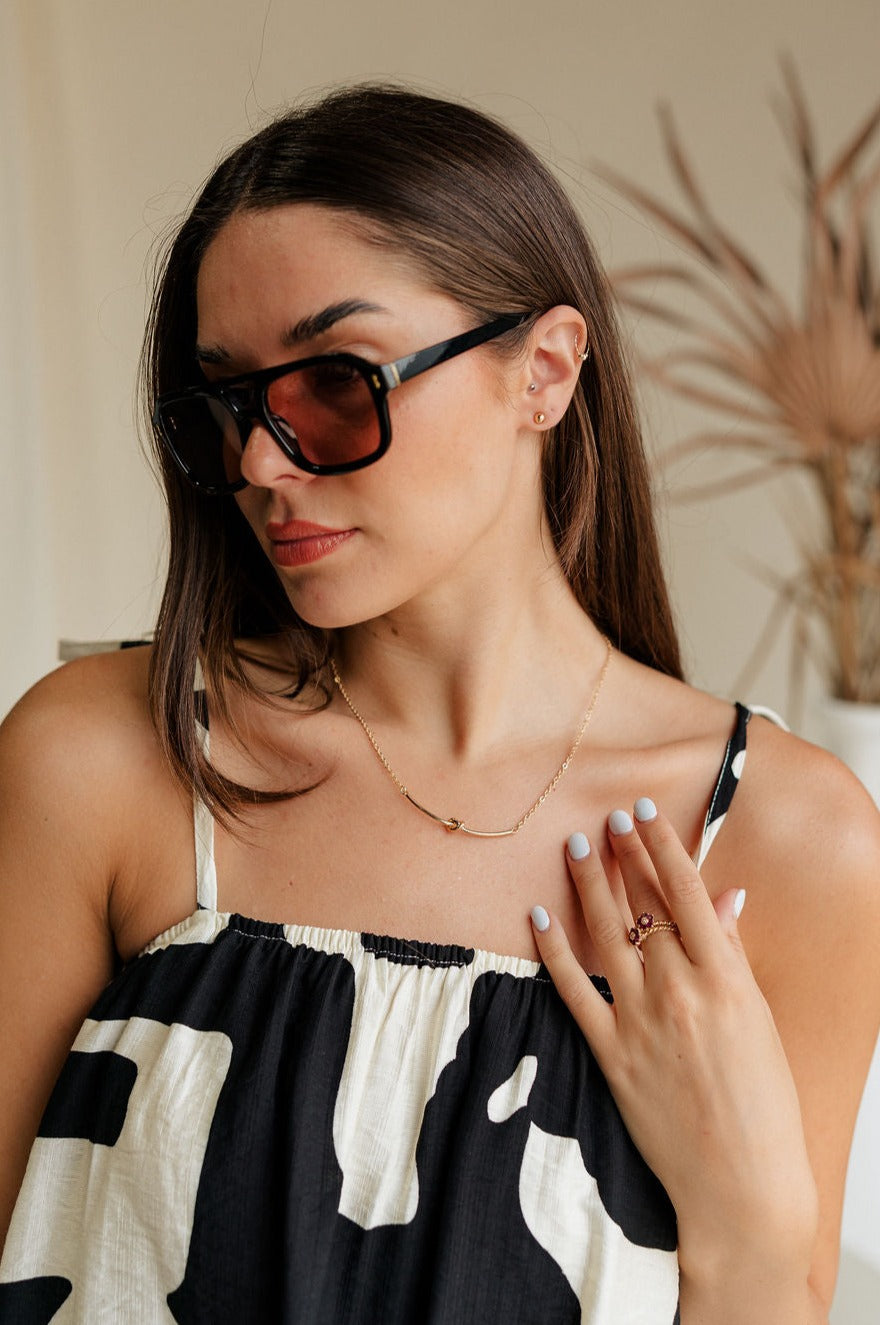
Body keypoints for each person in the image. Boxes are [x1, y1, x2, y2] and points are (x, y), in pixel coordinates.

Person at [1, 84, 878, 1325]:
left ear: (544, 371)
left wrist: (749, 1236)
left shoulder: (786, 844)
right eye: (229, 404)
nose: (261, 460)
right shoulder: (108, 759)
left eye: (334, 386)